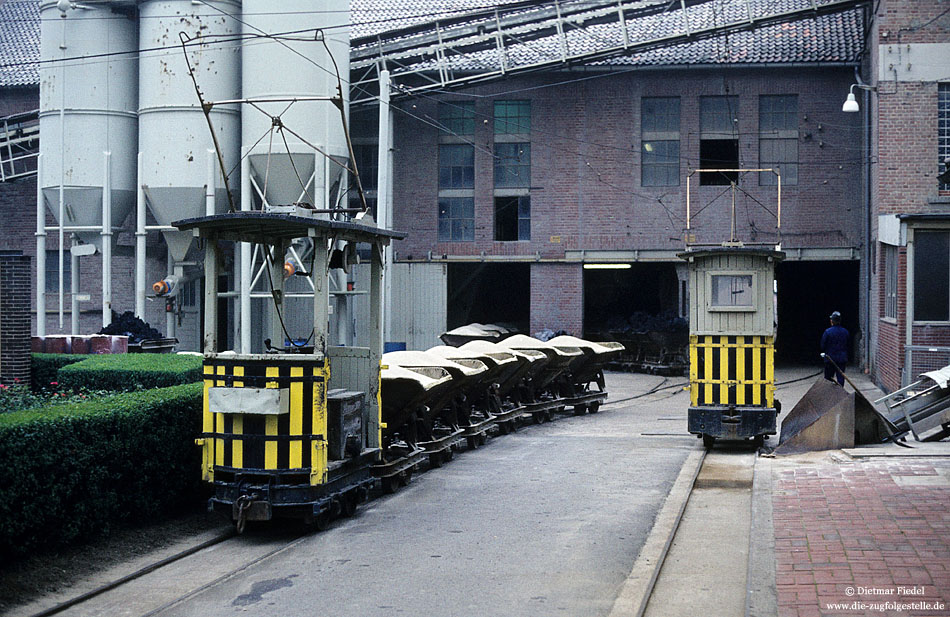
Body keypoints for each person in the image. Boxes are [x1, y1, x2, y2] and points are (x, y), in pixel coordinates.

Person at [821, 311, 849, 386]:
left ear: (831, 321)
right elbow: (848, 344)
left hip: (830, 359)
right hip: (842, 359)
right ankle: (840, 394)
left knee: (828, 378)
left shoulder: (827, 332)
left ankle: (829, 394)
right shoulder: (845, 332)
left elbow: (823, 345)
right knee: (840, 378)